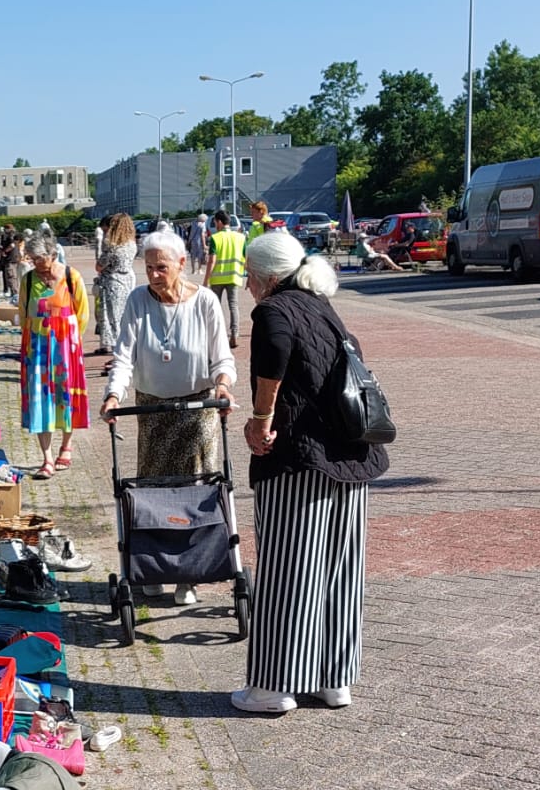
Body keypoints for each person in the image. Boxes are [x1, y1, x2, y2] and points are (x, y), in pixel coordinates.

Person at [233, 229, 389, 716]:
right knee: (340, 570)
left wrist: (260, 421)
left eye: (250, 278)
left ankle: (274, 686)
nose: (247, 287)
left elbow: (273, 358)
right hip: (350, 452)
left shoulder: (275, 309)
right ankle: (333, 680)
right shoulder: (321, 303)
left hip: (301, 456)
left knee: (288, 569)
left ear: (266, 276)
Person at [101, 227, 236, 607]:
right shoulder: (138, 301)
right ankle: (155, 567)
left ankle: (188, 574)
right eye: (148, 267)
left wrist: (223, 385)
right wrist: (114, 394)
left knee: (195, 487)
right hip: (153, 407)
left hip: (198, 408)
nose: (154, 275)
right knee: (154, 489)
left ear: (181, 263)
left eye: (161, 267)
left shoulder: (206, 301)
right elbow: (124, 355)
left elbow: (221, 357)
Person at [20, 234, 89, 478]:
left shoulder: (71, 277)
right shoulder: (28, 280)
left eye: (40, 258)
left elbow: (82, 313)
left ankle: (66, 446)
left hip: (66, 349)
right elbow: (23, 314)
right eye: (32, 258)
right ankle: (47, 459)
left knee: (65, 397)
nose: (36, 263)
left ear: (53, 254)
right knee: (40, 401)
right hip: (37, 348)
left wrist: (70, 343)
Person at [94, 211, 138, 356]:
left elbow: (99, 265)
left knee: (112, 319)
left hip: (112, 283)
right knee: (123, 318)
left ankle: (117, 355)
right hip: (126, 280)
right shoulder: (131, 244)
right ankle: (123, 352)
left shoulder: (113, 246)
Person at [206, 210, 248, 349]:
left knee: (215, 307)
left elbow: (212, 260)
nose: (214, 225)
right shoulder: (240, 238)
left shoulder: (215, 238)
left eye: (215, 222)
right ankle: (235, 334)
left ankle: (216, 335)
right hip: (234, 276)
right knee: (233, 305)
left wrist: (206, 280)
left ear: (219, 222)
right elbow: (245, 258)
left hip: (217, 278)